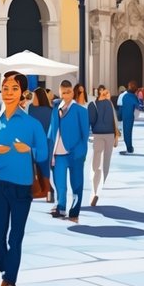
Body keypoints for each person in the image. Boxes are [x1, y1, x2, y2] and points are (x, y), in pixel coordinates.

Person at [0, 72, 48, 286]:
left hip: (23, 186)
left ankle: (9, 281)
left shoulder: (32, 124)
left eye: (14, 88)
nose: (8, 93)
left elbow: (44, 153)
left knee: (15, 236)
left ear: (22, 93)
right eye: (5, 88)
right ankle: (8, 272)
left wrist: (30, 150)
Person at [47, 80, 89, 222]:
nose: (65, 95)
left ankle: (74, 211)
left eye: (68, 92)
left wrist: (81, 153)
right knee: (60, 183)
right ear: (60, 92)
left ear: (72, 92)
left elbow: (85, 134)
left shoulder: (81, 110)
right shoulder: (55, 109)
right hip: (58, 154)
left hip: (75, 153)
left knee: (76, 184)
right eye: (63, 92)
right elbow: (52, 131)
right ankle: (61, 207)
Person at [88, 85, 118, 204]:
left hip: (98, 135)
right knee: (105, 164)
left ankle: (94, 191)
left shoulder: (93, 105)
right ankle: (98, 191)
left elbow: (90, 121)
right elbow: (114, 121)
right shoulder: (109, 105)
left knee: (96, 164)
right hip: (109, 135)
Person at [119, 83, 140, 153]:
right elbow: (138, 105)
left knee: (126, 132)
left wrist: (119, 116)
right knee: (128, 132)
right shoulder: (133, 96)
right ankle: (129, 148)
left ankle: (129, 148)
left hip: (125, 116)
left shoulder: (125, 96)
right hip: (130, 116)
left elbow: (121, 107)